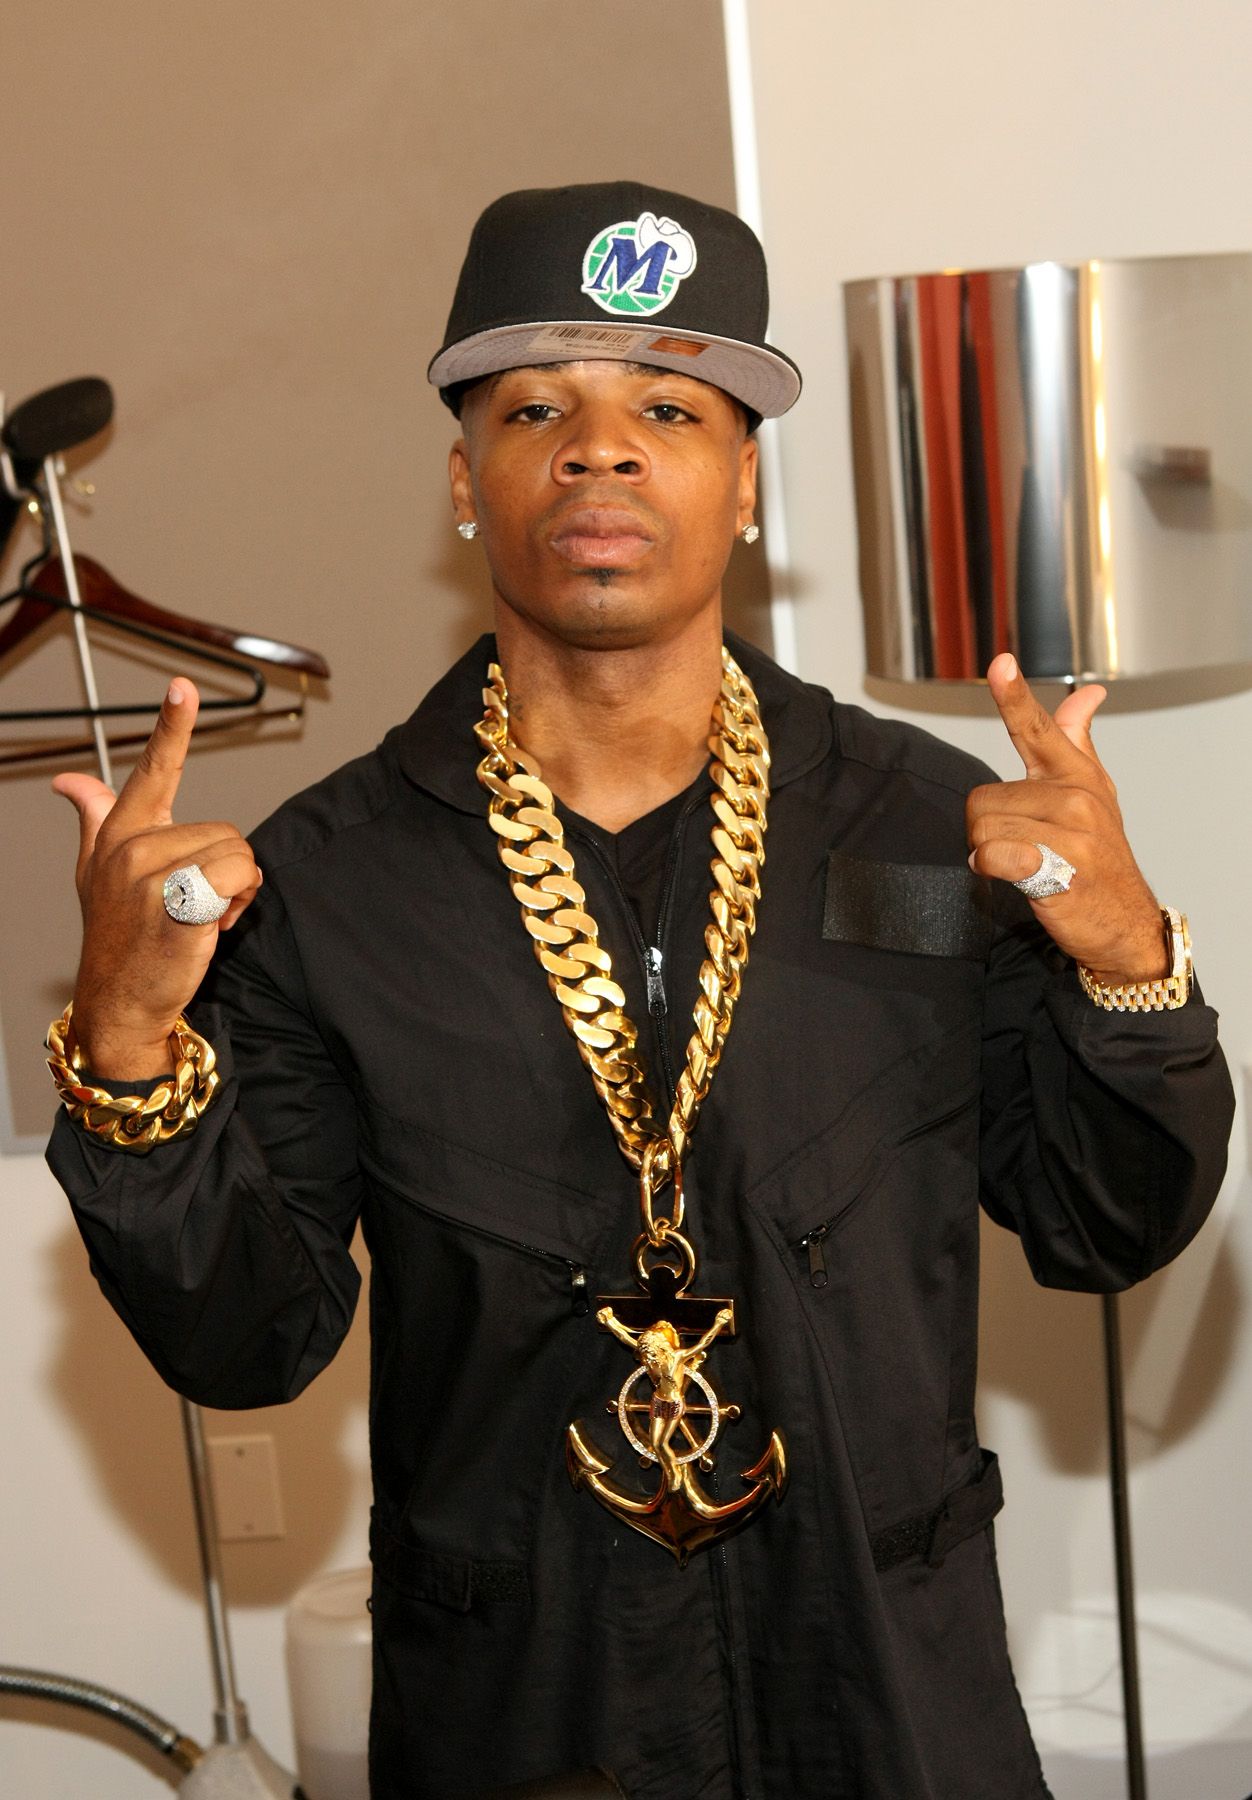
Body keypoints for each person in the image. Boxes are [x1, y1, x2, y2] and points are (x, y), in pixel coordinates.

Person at [45, 181, 1233, 1800]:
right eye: (537, 409)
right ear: (465, 485)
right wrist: (125, 1038)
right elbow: (246, 1339)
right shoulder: (323, 888)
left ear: (744, 487)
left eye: (668, 409)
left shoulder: (931, 834)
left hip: (884, 1692)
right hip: (524, 1707)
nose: (599, 450)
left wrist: (1130, 965)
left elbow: (1110, 1225)